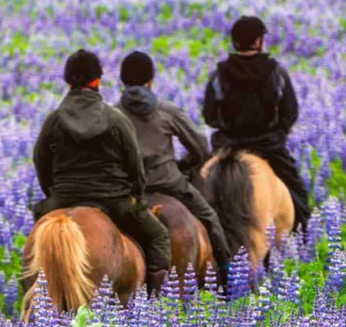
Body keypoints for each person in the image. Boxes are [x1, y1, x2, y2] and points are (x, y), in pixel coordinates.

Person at [32, 50, 172, 292]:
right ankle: (153, 302)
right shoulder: (115, 119)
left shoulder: (54, 120)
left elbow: (40, 160)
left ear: (67, 83)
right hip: (113, 199)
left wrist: (53, 194)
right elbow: (134, 164)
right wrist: (137, 195)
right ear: (97, 81)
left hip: (64, 196)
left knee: (36, 237)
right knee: (158, 237)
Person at [115, 51, 232, 276]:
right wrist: (181, 165)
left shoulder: (113, 113)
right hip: (168, 183)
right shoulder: (166, 110)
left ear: (122, 81)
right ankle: (226, 276)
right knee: (209, 217)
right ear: (150, 81)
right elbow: (200, 147)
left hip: (127, 190)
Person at [202, 16, 312, 230]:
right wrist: (277, 132)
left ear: (235, 43)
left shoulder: (219, 74)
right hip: (268, 146)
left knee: (196, 191)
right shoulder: (276, 72)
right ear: (258, 41)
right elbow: (290, 112)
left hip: (227, 146)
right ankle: (304, 238)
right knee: (297, 196)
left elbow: (209, 115)